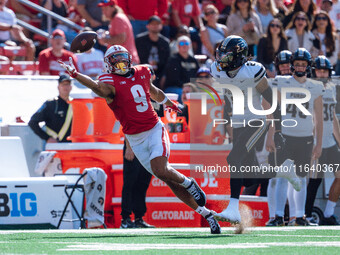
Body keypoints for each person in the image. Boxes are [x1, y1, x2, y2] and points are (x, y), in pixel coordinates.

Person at [58, 45, 221, 234]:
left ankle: (189, 183)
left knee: (162, 169)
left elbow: (154, 92)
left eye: (122, 59)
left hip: (153, 129)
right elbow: (97, 88)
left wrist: (169, 103)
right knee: (166, 177)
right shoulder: (109, 82)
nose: (120, 64)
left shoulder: (142, 72)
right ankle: (206, 213)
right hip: (135, 139)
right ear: (108, 65)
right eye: (116, 61)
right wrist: (76, 74)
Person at [210, 36, 301, 224]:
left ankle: (233, 209)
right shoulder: (216, 71)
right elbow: (228, 99)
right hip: (238, 122)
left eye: (226, 56)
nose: (221, 59)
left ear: (237, 56)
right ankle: (283, 171)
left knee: (233, 159)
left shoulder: (252, 71)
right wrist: (229, 122)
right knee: (248, 178)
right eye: (221, 54)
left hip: (257, 121)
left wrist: (278, 131)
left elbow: (272, 101)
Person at [266, 48, 324, 226]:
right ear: (292, 65)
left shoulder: (315, 86)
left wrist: (318, 143)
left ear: (308, 66)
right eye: (297, 64)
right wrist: (271, 134)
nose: (300, 67)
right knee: (282, 176)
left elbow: (319, 118)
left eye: (303, 64)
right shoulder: (282, 82)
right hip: (285, 135)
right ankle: (277, 216)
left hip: (305, 137)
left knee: (300, 178)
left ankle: (299, 216)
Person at [305, 56, 340, 225]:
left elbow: (332, 116)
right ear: (313, 72)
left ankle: (328, 213)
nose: (322, 73)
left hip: (330, 142)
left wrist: (339, 141)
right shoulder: (309, 88)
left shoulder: (332, 88)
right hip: (316, 141)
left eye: (324, 71)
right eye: (319, 70)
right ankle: (306, 215)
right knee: (314, 180)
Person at [28, 74, 73, 143]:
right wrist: (47, 138)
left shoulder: (74, 104)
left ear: (71, 87)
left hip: (70, 146)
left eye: (67, 84)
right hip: (54, 146)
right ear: (58, 87)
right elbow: (32, 122)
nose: (65, 87)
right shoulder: (51, 104)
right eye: (63, 84)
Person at [162, 35, 199, 103]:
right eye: (181, 43)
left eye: (186, 43)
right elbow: (173, 79)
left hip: (190, 88)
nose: (184, 45)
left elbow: (197, 76)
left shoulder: (193, 60)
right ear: (178, 46)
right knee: (184, 94)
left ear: (190, 46)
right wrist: (188, 88)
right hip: (174, 88)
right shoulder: (173, 60)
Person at [135, 15, 170, 87]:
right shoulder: (139, 40)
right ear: (148, 26)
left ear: (161, 26)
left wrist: (164, 76)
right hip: (142, 72)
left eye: (157, 24)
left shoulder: (165, 43)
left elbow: (167, 62)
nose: (155, 26)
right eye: (153, 24)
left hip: (159, 74)